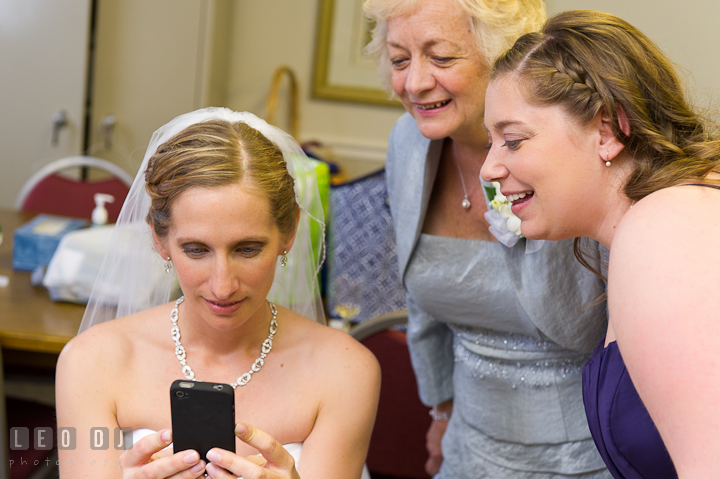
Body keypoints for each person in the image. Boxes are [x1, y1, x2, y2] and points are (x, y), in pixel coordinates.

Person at [55, 108, 380, 479]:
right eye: (196, 250)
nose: (223, 286)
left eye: (248, 249)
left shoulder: (346, 370)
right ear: (159, 240)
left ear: (289, 232)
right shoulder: (90, 362)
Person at [363, 0, 612, 477]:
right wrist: (441, 409)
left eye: (441, 58)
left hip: (591, 449)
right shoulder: (409, 144)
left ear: (503, 56)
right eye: (399, 59)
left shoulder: (576, 146)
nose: (414, 82)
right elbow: (422, 301)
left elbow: (600, 326)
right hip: (468, 447)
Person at [481, 10, 720, 478]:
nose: (489, 168)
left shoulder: (664, 229)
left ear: (606, 131)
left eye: (512, 141)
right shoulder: (671, 216)